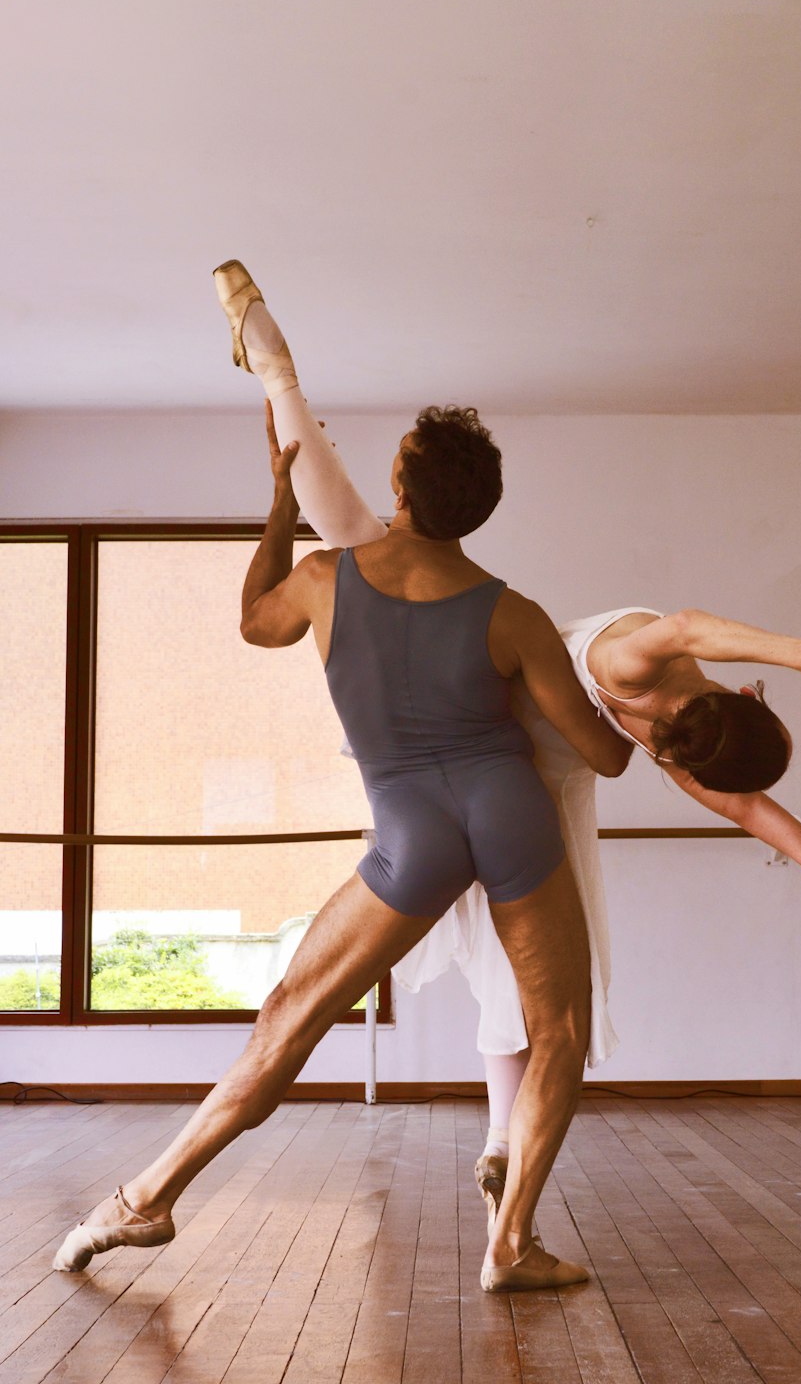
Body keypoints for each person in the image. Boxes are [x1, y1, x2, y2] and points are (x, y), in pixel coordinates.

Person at [208, 261, 801, 1221]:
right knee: (528, 997)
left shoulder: (647, 666)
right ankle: (503, 1141)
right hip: (515, 793)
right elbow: (782, 831)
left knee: (348, 534)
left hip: (464, 749)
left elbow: (684, 624)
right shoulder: (685, 760)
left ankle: (277, 375)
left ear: (745, 692)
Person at [52, 317, 632, 1294]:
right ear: (475, 512)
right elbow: (605, 757)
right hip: (508, 809)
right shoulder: (513, 613)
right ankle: (510, 1244)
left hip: (411, 831)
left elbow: (253, 622)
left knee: (290, 1015)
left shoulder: (324, 579)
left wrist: (279, 499)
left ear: (400, 486)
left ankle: (145, 1197)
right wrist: (666, 704)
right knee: (557, 1032)